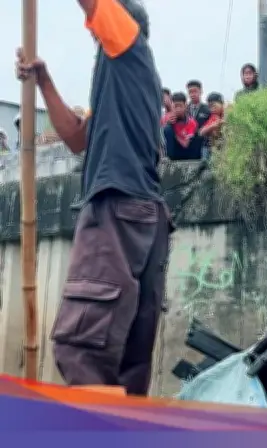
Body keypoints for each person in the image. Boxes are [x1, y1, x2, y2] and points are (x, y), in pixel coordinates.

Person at [16, 0, 172, 395]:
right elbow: (76, 138)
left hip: (118, 209)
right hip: (141, 214)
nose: (91, 31)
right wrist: (44, 82)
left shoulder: (128, 49)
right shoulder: (122, 82)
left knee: (82, 349)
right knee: (122, 361)